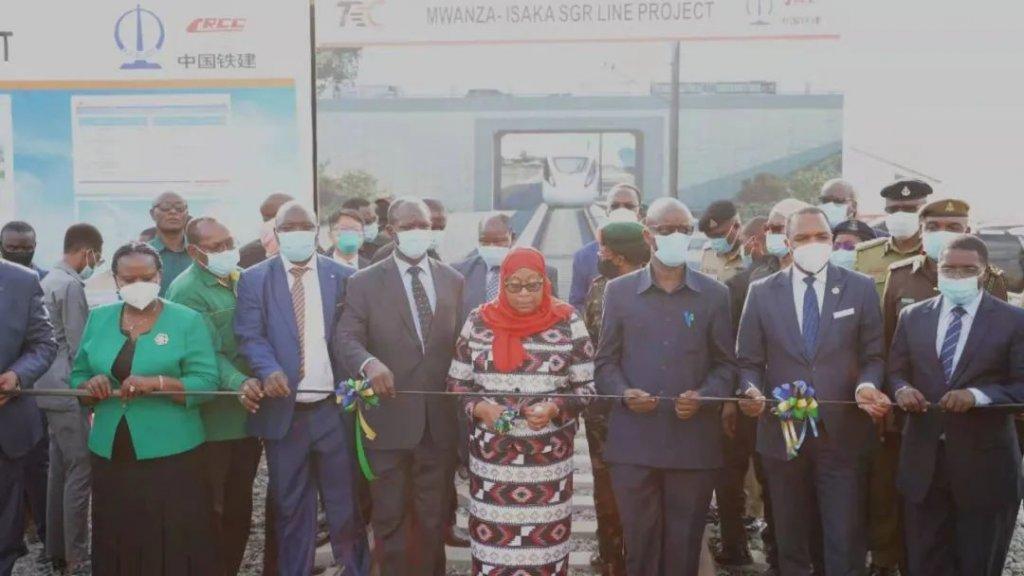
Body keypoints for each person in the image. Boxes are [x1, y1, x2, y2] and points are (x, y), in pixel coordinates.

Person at [736, 206, 891, 576]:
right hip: (783, 434)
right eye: (803, 238)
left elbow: (873, 354)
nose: (813, 244)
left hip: (843, 435)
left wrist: (867, 385)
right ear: (787, 244)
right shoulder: (761, 292)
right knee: (790, 538)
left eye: (821, 236)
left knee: (843, 537)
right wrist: (751, 392)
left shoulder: (860, 287)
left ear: (832, 239)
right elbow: (748, 362)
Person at [595, 197, 737, 575]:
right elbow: (604, 363)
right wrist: (624, 394)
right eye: (666, 230)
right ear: (648, 235)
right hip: (634, 444)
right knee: (640, 548)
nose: (676, 237)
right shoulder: (620, 292)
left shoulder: (714, 294)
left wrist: (705, 397)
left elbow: (726, 365)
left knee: (683, 549)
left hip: (692, 446)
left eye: (684, 230)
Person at [234, 202, 367, 576]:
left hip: (333, 410)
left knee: (345, 505)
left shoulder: (342, 276)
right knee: (290, 506)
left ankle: (354, 569)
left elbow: (353, 334)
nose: (296, 233)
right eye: (288, 227)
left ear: (315, 231)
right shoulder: (255, 279)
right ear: (276, 234)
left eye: (304, 226)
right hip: (286, 415)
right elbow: (249, 334)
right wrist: (268, 368)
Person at [70, 241, 218, 575]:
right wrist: (89, 386)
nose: (139, 285)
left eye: (147, 277)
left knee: (172, 538)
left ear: (160, 275)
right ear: (116, 280)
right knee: (117, 533)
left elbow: (208, 382)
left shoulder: (187, 320)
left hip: (173, 453)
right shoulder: (100, 319)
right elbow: (79, 374)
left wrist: (161, 384)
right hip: (112, 450)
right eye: (129, 279)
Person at [335, 197, 464, 576]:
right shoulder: (364, 282)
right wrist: (368, 362)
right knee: (389, 516)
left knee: (432, 517)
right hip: (388, 422)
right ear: (392, 232)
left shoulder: (452, 280)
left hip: (437, 424)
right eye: (408, 227)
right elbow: (346, 337)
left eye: (423, 225)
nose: (417, 233)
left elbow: (462, 343)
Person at [447, 246, 595, 574]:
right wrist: (481, 408)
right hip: (492, 462)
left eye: (533, 284)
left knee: (544, 548)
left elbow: (586, 388)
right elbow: (457, 384)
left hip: (548, 463)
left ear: (546, 282)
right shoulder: (478, 320)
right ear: (502, 284)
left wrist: (555, 407)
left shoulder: (568, 319)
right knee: (493, 549)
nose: (524, 293)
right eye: (514, 285)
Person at [887, 235, 1024, 576]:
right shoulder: (912, 317)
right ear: (938, 270)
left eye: (968, 269)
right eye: (950, 268)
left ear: (984, 273)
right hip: (923, 465)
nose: (958, 275)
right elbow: (896, 370)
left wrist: (978, 396)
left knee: (977, 563)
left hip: (986, 468)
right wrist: (902, 390)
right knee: (925, 561)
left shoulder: (1013, 320)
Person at [166, 217, 261, 576]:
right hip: (213, 422)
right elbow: (203, 354)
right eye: (216, 247)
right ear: (195, 252)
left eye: (229, 242)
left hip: (248, 416)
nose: (226, 251)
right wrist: (238, 382)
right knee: (211, 510)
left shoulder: (239, 278)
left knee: (239, 507)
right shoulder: (186, 290)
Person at [852, 179, 932, 576]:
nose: (904, 215)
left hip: (936, 393)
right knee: (883, 484)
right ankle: (884, 559)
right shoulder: (865, 256)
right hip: (886, 389)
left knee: (928, 487)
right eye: (896, 208)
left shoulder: (948, 258)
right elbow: (871, 334)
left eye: (913, 208)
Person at [35, 224, 102, 575]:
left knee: (59, 469)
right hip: (65, 386)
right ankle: (76, 555)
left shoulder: (47, 280)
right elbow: (79, 344)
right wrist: (89, 389)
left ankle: (55, 549)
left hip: (45, 386)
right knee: (82, 467)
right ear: (87, 252)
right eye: (97, 258)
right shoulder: (71, 285)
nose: (96, 264)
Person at [582, 221, 649, 576]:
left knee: (634, 489)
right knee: (606, 490)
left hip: (643, 406)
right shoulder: (598, 288)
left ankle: (631, 557)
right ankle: (612, 557)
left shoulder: (648, 287)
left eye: (603, 249)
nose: (599, 255)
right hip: (605, 411)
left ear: (619, 254)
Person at [717, 216, 780, 572]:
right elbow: (727, 346)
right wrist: (728, 399)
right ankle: (753, 545)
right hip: (751, 395)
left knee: (750, 475)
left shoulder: (741, 282)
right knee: (741, 474)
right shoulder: (740, 285)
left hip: (764, 396)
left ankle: (746, 545)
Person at [883, 198, 1008, 348]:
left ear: (967, 232)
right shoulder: (900, 275)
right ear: (922, 231)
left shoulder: (989, 278)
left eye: (952, 228)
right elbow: (888, 338)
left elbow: (1001, 338)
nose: (942, 234)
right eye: (933, 227)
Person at [0, 258, 56, 576]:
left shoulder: (21, 280)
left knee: (4, 535)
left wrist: (16, 377)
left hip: (6, 426)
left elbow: (43, 345)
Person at [453, 212, 559, 325]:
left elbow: (552, 313)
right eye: (485, 242)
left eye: (498, 241)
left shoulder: (542, 273)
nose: (491, 247)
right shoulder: (459, 273)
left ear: (512, 238)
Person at [569, 183, 643, 310]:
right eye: (615, 206)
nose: (622, 210)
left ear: (639, 212)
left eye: (629, 206)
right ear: (606, 211)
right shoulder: (584, 256)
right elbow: (576, 304)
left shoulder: (653, 252)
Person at [854, 179, 933, 296]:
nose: (900, 215)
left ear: (925, 213)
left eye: (910, 209)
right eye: (893, 210)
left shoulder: (936, 254)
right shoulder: (864, 255)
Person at [371, 198, 445, 264]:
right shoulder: (384, 256)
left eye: (424, 227)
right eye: (408, 227)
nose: (418, 233)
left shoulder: (433, 257)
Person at [146, 192, 191, 295]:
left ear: (187, 213)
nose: (173, 212)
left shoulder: (200, 253)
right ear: (152, 214)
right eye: (165, 207)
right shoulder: (142, 255)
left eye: (179, 208)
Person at [239, 193, 294, 269]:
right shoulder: (248, 255)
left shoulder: (311, 250)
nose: (271, 224)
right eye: (266, 219)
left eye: (279, 217)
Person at [698, 200, 745, 283]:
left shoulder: (752, 255)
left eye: (720, 235)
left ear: (737, 226)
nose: (716, 240)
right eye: (711, 237)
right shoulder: (708, 253)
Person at [340, 197, 384, 262]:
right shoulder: (333, 257)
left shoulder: (382, 250)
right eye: (367, 222)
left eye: (373, 219)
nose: (372, 225)